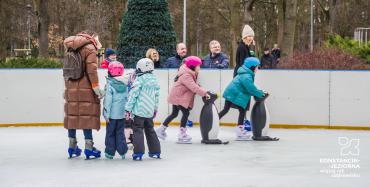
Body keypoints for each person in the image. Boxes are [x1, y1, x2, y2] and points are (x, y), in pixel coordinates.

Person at [63, 30, 104, 159]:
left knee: (73, 116)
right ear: (93, 38)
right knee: (86, 116)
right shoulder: (90, 47)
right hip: (86, 85)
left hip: (71, 85)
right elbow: (92, 70)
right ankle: (89, 147)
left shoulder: (70, 47)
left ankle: (72, 146)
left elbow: (66, 69)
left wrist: (67, 87)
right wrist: (96, 88)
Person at [156, 56, 211, 144]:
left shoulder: (188, 72)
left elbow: (194, 85)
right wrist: (205, 93)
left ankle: (161, 129)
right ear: (193, 66)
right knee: (186, 113)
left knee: (174, 114)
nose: (199, 68)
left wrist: (202, 90)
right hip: (178, 97)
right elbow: (193, 87)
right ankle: (182, 134)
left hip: (177, 96)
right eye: (198, 66)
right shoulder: (186, 75)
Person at [219, 57, 266, 140]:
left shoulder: (246, 73)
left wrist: (258, 92)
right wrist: (261, 93)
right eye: (256, 67)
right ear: (252, 67)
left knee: (227, 109)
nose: (257, 69)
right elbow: (251, 88)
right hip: (233, 94)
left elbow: (250, 88)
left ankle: (214, 120)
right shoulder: (247, 76)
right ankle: (239, 132)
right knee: (241, 111)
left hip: (231, 93)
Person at [125, 58, 161, 161]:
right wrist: (155, 109)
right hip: (149, 111)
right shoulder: (154, 80)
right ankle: (155, 151)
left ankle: (138, 153)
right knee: (150, 130)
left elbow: (133, 95)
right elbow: (157, 97)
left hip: (139, 111)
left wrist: (128, 109)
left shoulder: (139, 79)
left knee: (138, 130)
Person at [103, 61, 129, 159]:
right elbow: (127, 99)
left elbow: (108, 102)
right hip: (121, 115)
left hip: (111, 116)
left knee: (110, 134)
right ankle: (122, 151)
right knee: (120, 133)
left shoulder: (110, 85)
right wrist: (127, 112)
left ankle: (110, 153)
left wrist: (106, 114)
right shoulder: (125, 85)